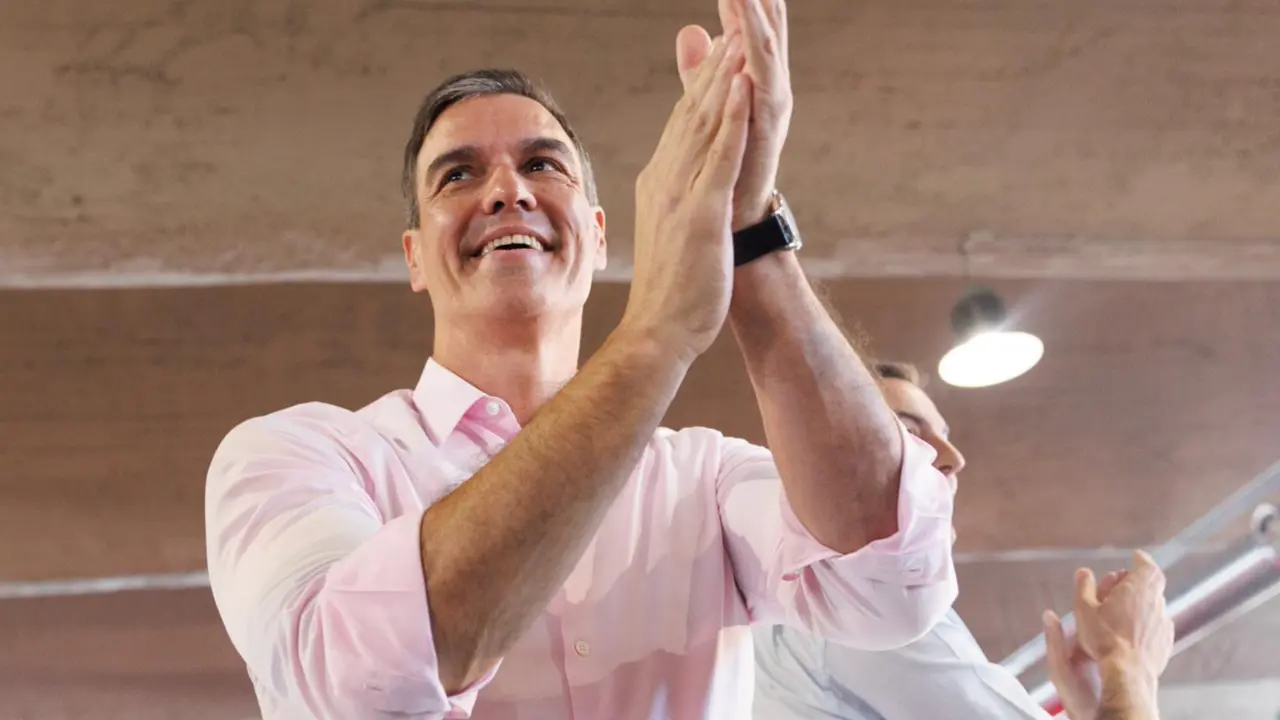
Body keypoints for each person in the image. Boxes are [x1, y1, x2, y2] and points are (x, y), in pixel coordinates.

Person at [204, 1, 960, 718]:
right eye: (458, 174)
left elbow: (891, 579)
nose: (507, 191)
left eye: (543, 165)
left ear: (598, 236)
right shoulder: (297, 455)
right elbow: (358, 687)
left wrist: (745, 229)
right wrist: (653, 337)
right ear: (414, 257)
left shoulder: (705, 479)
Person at [751, 363, 1175, 720]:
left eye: (943, 433)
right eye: (909, 432)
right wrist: (1128, 660)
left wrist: (1092, 704)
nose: (953, 457)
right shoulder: (870, 610)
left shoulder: (790, 606)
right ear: (824, 462)